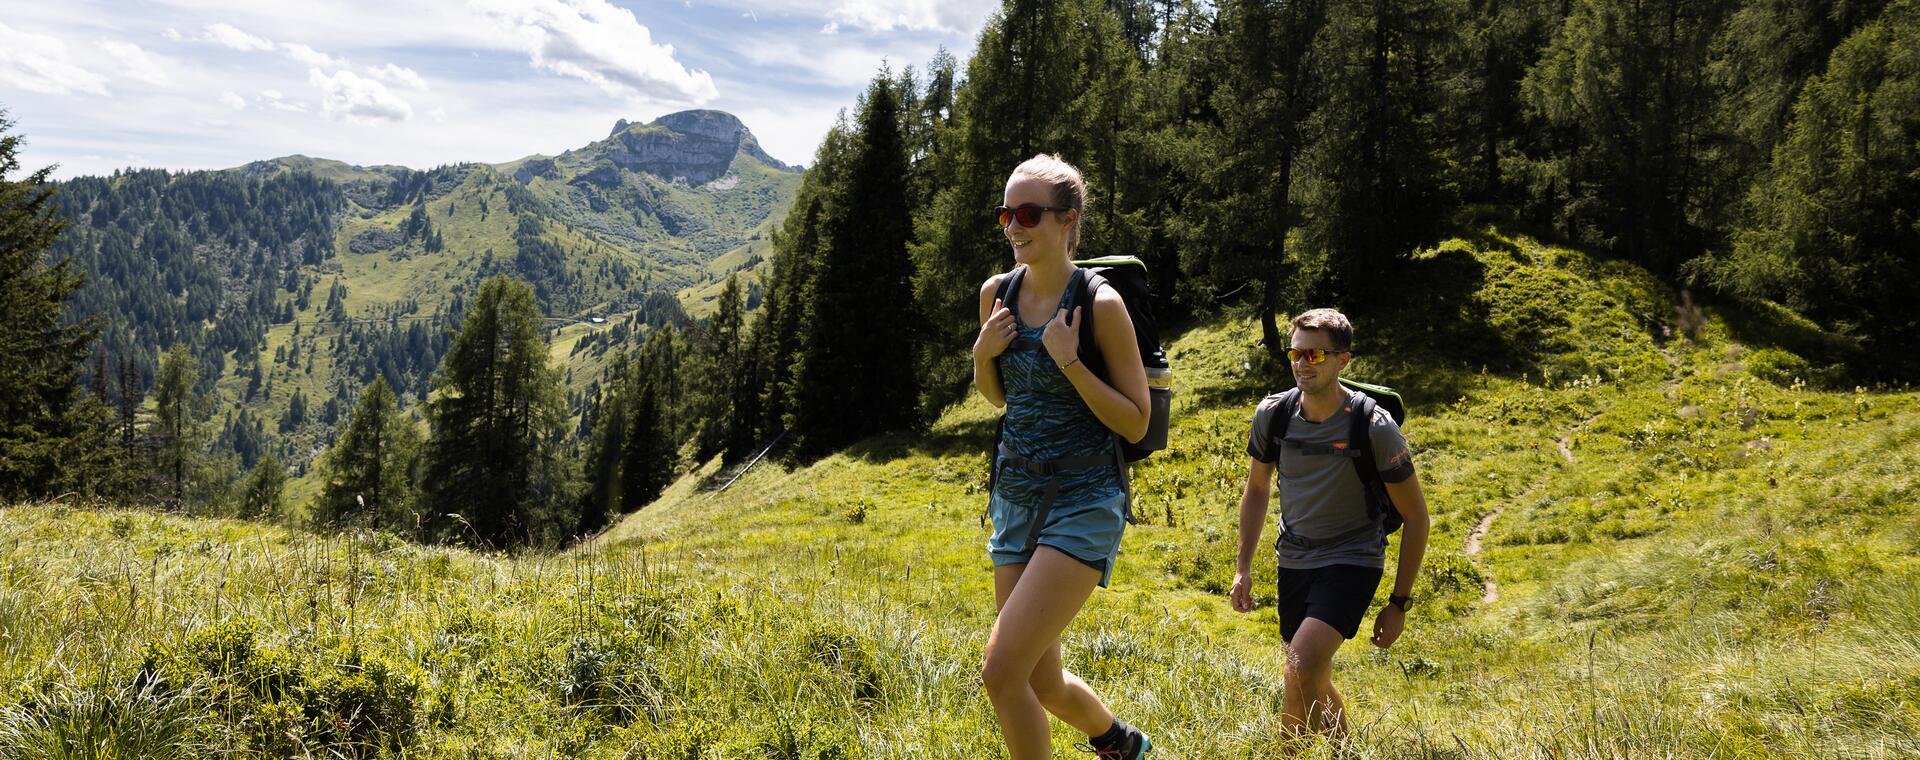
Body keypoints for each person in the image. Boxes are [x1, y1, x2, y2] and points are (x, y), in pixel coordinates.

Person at [973, 154, 1153, 759]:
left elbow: (1136, 419)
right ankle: (1120, 742)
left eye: (1028, 213)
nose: (1013, 227)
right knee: (1039, 680)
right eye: (1006, 214)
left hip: (1084, 499)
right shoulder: (997, 294)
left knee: (1001, 672)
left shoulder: (1099, 305)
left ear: (1067, 220)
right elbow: (1001, 398)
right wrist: (981, 356)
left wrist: (1070, 362)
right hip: (1016, 497)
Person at [1230, 308, 1431, 740]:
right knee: (1313, 677)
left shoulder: (1373, 426)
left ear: (1343, 360)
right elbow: (1258, 489)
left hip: (1352, 558)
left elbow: (1416, 516)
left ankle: (1290, 754)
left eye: (1315, 355)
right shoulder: (1274, 416)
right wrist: (1242, 567)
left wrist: (1399, 603)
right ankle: (1346, 750)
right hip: (1295, 558)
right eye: (1296, 354)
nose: (1303, 364)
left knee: (1298, 667)